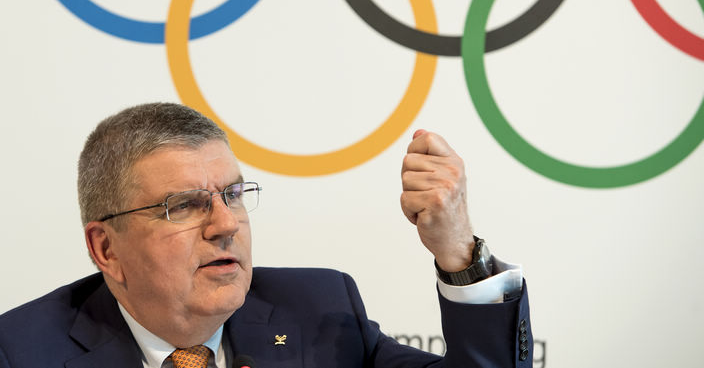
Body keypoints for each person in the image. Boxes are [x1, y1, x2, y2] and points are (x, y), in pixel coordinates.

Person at [0, 103, 532, 367]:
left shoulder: (321, 313)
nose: (227, 224)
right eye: (184, 205)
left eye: (233, 195)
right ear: (106, 249)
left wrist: (457, 251)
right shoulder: (22, 352)